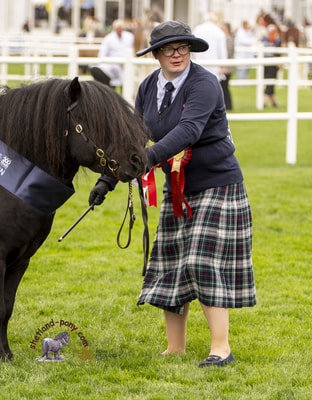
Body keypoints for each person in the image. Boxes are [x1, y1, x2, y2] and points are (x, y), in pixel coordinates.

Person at [88, 20, 256, 367]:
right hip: (177, 188)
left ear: (190, 49)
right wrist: (109, 179)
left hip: (218, 183)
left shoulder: (205, 83)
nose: (176, 53)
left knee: (201, 262)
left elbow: (188, 130)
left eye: (182, 47)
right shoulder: (149, 86)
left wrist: (145, 160)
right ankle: (174, 347)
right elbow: (133, 137)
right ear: (156, 55)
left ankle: (220, 349)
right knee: (170, 265)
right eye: (168, 48)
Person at [192, 13, 231, 109]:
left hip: (198, 64)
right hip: (214, 66)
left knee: (199, 89)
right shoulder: (219, 32)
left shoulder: (197, 29)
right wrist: (224, 65)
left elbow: (192, 50)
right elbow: (222, 51)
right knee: (213, 89)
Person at [89, 19, 134, 90]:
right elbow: (102, 54)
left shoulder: (130, 37)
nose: (120, 30)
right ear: (114, 28)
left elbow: (134, 50)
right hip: (112, 66)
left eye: (121, 28)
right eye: (118, 29)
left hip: (126, 65)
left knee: (127, 83)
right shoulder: (108, 38)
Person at [262, 24, 281, 108]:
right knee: (270, 82)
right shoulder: (275, 41)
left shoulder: (265, 40)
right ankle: (264, 101)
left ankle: (274, 102)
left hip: (269, 64)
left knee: (271, 82)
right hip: (271, 65)